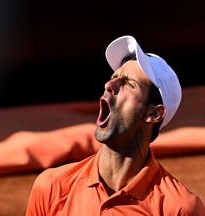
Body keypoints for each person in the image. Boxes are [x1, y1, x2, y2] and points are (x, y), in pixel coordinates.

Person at [25, 35, 205, 215]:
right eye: (114, 77)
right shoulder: (52, 187)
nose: (109, 84)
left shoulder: (179, 209)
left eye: (128, 83)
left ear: (154, 113)